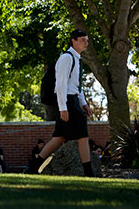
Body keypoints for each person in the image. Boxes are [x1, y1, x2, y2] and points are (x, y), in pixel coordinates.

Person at [31, 29, 95, 177]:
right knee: (83, 136)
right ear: (73, 40)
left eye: (87, 40)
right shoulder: (67, 58)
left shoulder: (77, 58)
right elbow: (60, 85)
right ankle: (89, 173)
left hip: (71, 100)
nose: (86, 43)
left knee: (59, 137)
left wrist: (83, 103)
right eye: (83, 40)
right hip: (67, 101)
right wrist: (63, 108)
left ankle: (33, 168)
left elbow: (76, 85)